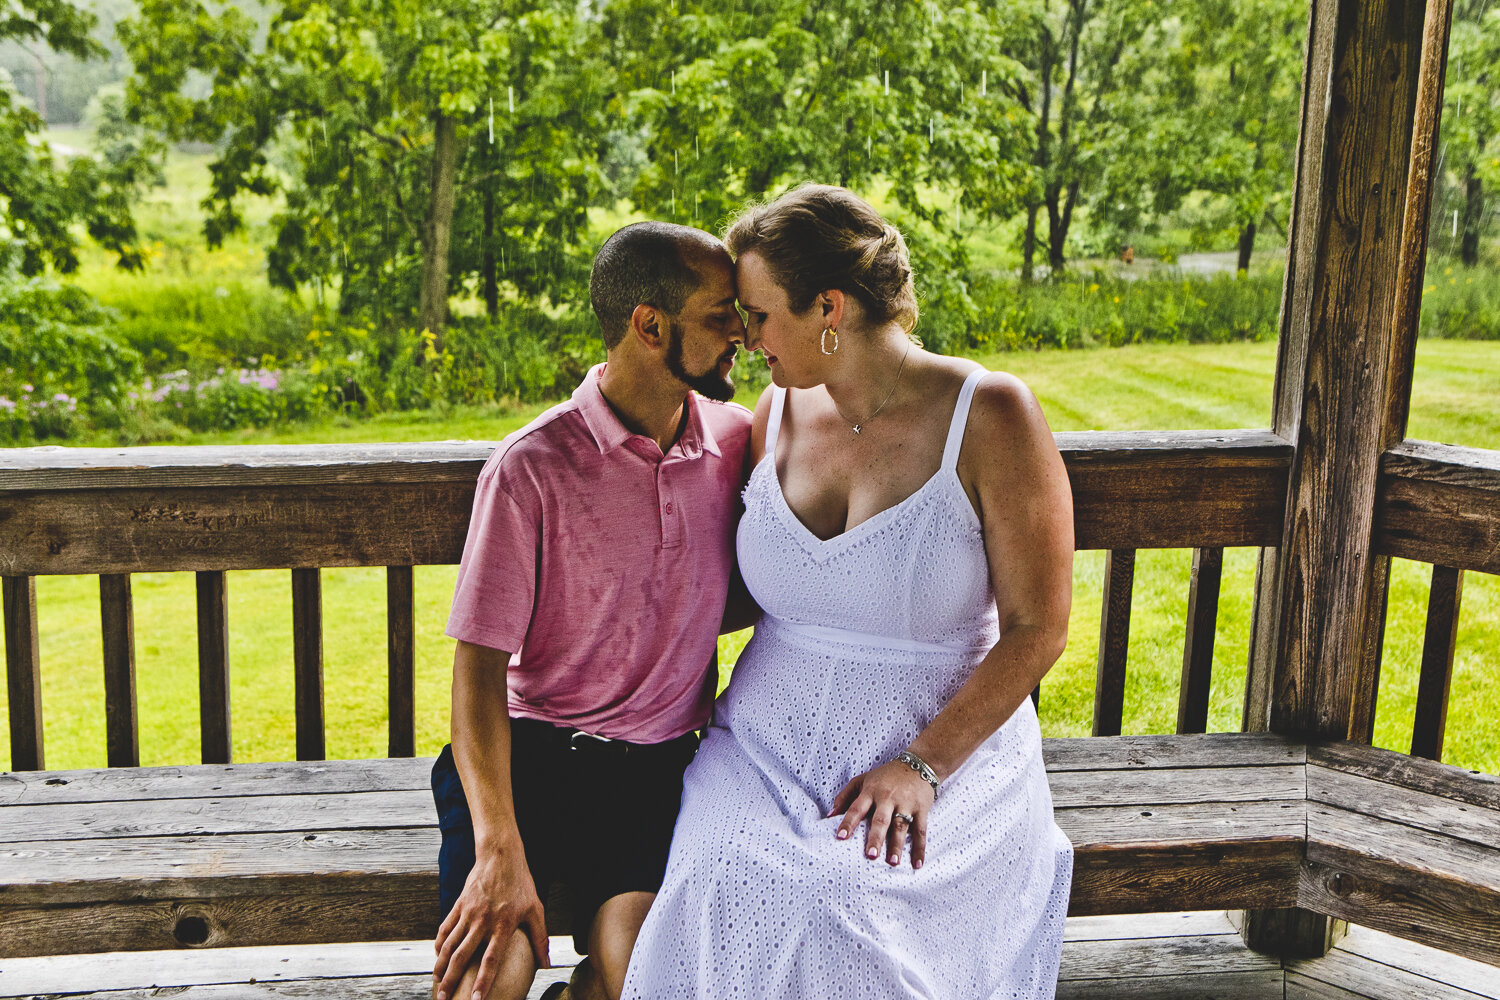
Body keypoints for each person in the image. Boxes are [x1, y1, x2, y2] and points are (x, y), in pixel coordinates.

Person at [622, 186, 1076, 999]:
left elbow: (1038, 629)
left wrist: (921, 766)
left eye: (757, 315)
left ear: (829, 306)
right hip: (762, 750)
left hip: (939, 746)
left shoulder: (991, 415)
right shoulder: (777, 413)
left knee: (838, 904)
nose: (743, 334)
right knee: (721, 877)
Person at [431, 221, 754, 1000]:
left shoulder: (738, 443)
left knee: (637, 974)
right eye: (720, 316)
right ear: (649, 325)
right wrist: (497, 844)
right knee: (489, 982)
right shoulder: (532, 466)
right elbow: (477, 670)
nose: (741, 331)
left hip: (658, 772)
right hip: (530, 762)